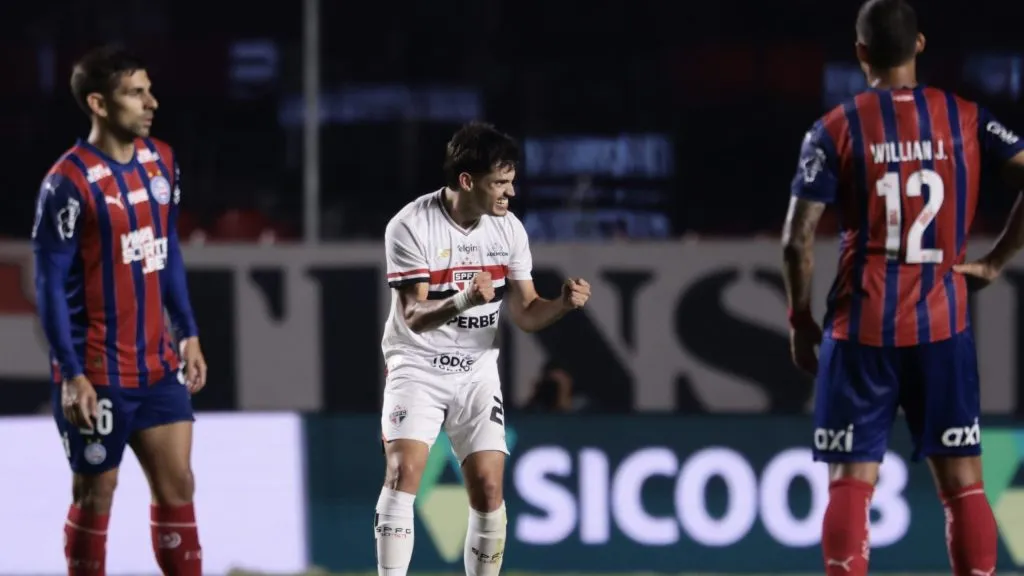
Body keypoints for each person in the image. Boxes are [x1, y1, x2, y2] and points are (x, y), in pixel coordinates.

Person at [782, 1, 1024, 574]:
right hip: (944, 323)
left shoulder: (834, 129)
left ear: (860, 52)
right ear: (919, 45)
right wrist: (994, 263)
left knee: (850, 484)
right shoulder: (967, 116)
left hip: (860, 325)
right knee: (963, 483)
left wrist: (800, 319)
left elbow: (797, 240)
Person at [375, 121, 591, 576]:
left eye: (511, 183)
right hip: (417, 363)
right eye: (500, 184)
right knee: (403, 473)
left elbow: (528, 313)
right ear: (467, 181)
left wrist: (563, 305)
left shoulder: (508, 230)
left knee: (490, 489)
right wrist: (464, 299)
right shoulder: (410, 226)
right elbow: (412, 316)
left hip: (476, 370)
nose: (509, 195)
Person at [32, 45, 208, 576]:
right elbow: (47, 284)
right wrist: (70, 373)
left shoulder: (163, 161)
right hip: (98, 371)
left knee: (179, 484)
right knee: (96, 494)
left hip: (158, 365)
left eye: (149, 90)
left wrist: (188, 332)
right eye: (136, 93)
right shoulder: (67, 183)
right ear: (99, 104)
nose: (151, 102)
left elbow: (168, 249)